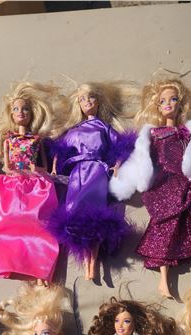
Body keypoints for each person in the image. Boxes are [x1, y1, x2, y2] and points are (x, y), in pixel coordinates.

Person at [110, 77, 191, 298]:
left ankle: (185, 258)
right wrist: (123, 173)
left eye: (173, 99)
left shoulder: (190, 132)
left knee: (190, 221)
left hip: (187, 180)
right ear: (158, 106)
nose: (168, 104)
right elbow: (140, 157)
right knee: (163, 226)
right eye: (163, 101)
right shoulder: (153, 134)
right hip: (164, 184)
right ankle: (164, 279)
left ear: (180, 104)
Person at [48, 82, 135, 281]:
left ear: (98, 102)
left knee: (96, 216)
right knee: (74, 214)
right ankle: (85, 259)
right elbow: (60, 149)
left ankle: (93, 263)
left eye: (91, 98)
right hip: (77, 174)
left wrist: (117, 165)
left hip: (96, 172)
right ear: (78, 105)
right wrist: (54, 167)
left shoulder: (103, 127)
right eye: (82, 99)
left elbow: (122, 146)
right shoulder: (74, 129)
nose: (87, 102)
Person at [0, 82, 60, 286]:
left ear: (32, 114)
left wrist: (37, 169)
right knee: (8, 224)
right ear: (11, 114)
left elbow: (44, 165)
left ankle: (40, 269)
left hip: (35, 185)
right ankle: (12, 262)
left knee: (39, 225)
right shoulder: (9, 140)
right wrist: (15, 170)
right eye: (16, 109)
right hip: (13, 184)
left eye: (25, 109)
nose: (21, 113)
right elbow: (6, 165)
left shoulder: (36, 139)